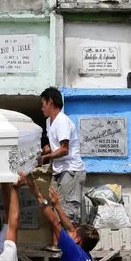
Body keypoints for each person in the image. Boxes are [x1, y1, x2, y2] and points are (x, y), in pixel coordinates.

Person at [38, 87, 86, 249]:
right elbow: (53, 146)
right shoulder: (48, 122)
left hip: (70, 170)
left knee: (68, 212)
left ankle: (71, 247)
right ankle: (56, 244)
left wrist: (45, 158)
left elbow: (64, 149)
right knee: (53, 206)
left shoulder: (62, 121)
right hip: (59, 170)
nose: (42, 108)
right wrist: (40, 152)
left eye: (43, 104)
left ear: (51, 102)